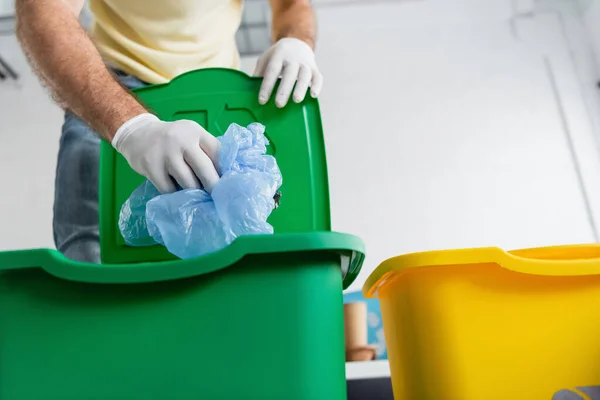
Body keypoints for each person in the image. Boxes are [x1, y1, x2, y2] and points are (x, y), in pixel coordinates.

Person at [15, 0, 322, 263]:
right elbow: (43, 9)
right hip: (112, 95)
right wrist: (130, 127)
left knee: (228, 267)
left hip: (215, 98)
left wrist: (296, 41)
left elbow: (292, 4)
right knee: (89, 258)